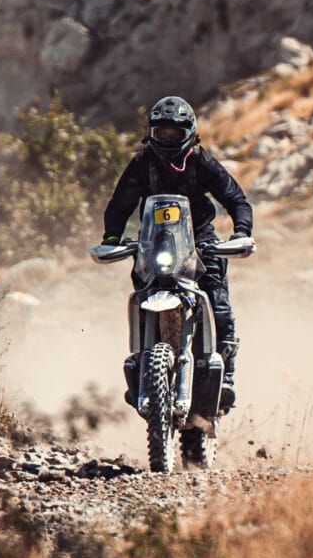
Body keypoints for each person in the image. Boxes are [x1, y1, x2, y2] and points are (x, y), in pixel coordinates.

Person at [102, 95, 251, 406]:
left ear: (190, 133)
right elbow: (119, 206)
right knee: (142, 296)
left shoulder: (201, 161)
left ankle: (229, 376)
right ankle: (143, 367)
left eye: (175, 133)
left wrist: (241, 232)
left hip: (200, 240)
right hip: (154, 243)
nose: (168, 139)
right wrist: (113, 237)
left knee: (218, 301)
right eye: (162, 133)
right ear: (152, 133)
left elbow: (236, 199)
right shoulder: (142, 163)